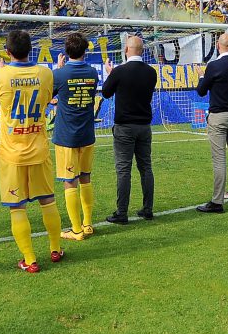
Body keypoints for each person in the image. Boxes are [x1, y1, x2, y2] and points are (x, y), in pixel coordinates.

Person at [0, 30, 63, 272]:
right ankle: (55, 248)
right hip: (39, 148)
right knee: (48, 201)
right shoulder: (45, 73)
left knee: (17, 206)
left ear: (7, 52)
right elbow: (49, 98)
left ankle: (29, 259)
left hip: (11, 153)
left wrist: (1, 73)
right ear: (31, 49)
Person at [101, 35, 158, 224]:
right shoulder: (151, 72)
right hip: (144, 126)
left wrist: (111, 73)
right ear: (141, 51)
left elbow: (106, 92)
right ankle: (148, 209)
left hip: (125, 127)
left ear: (126, 50)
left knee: (124, 170)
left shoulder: (119, 71)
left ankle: (122, 212)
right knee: (146, 168)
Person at [52, 32, 100, 241]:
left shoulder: (60, 74)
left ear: (66, 51)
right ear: (85, 51)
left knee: (69, 181)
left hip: (66, 136)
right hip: (87, 133)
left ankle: (76, 229)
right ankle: (88, 224)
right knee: (85, 178)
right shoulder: (92, 73)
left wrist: (58, 69)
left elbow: (48, 95)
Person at [195, 32, 228, 212]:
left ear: (218, 46)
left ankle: (217, 202)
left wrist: (202, 76)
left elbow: (201, 91)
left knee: (219, 160)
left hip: (219, 116)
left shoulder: (214, 66)